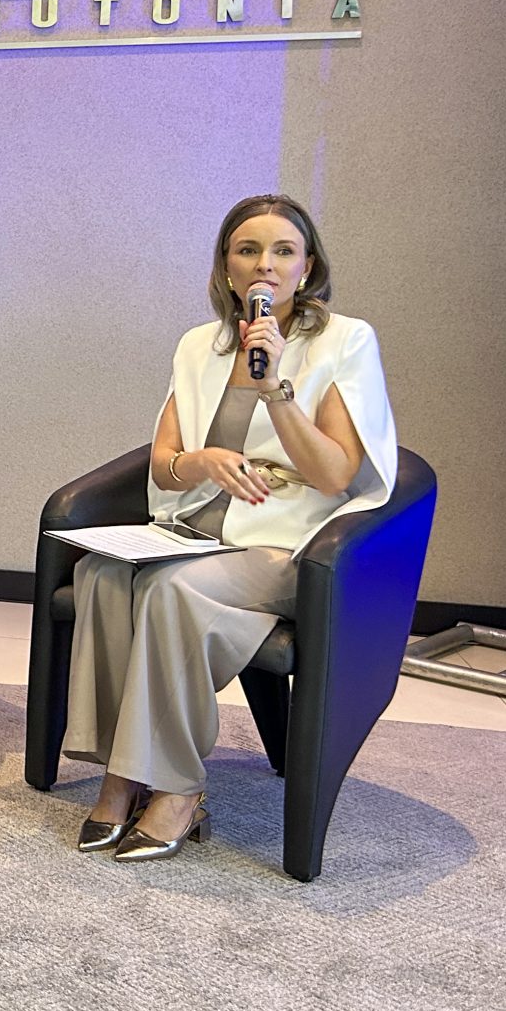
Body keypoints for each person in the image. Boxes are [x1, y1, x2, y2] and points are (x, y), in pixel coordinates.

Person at [64, 193, 398, 862]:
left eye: (283, 251)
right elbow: (164, 462)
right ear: (227, 268)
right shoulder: (200, 344)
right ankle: (124, 773)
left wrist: (276, 388)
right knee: (101, 573)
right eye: (249, 250)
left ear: (306, 268)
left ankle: (178, 789)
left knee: (171, 591)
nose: (265, 265)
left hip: (290, 544)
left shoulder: (345, 341)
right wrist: (200, 461)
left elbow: (334, 473)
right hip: (196, 528)